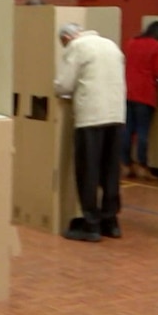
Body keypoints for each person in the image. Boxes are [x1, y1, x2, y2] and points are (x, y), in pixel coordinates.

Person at [54, 22, 126, 242]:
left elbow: (63, 85)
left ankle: (90, 224)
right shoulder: (111, 45)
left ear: (66, 38)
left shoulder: (77, 47)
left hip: (91, 117)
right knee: (110, 171)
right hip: (116, 115)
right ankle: (111, 221)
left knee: (88, 171)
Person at [121, 20, 158, 180]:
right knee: (142, 131)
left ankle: (125, 164)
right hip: (145, 93)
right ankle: (142, 166)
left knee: (127, 129)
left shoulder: (131, 42)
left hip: (127, 91)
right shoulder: (157, 45)